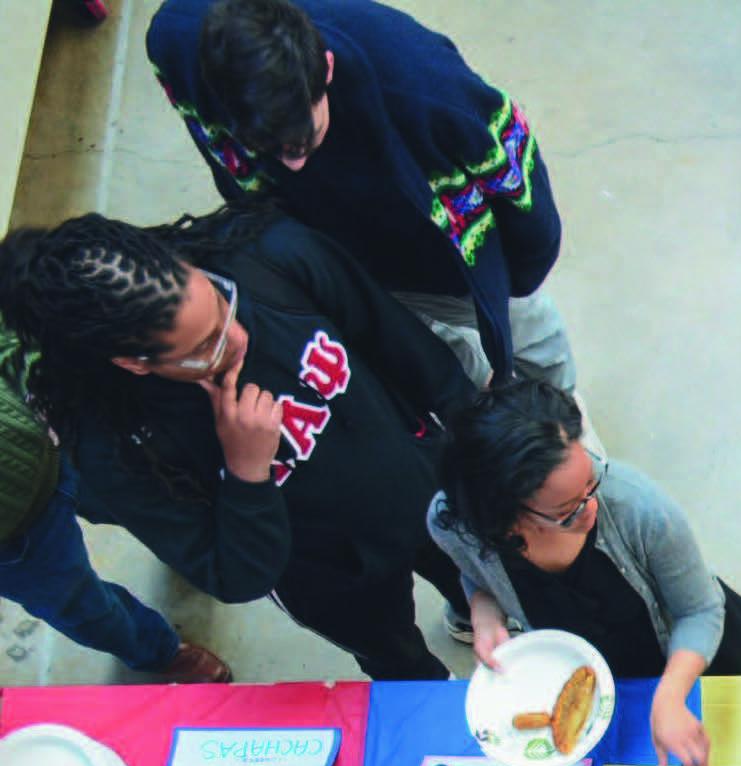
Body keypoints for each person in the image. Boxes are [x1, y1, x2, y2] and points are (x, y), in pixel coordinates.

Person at [0, 207, 475, 680]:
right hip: (336, 578)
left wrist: (472, 455)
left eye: (223, 305)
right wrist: (247, 473)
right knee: (396, 656)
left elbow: (403, 345)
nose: (237, 337)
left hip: (425, 488)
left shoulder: (267, 255)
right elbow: (232, 573)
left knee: (469, 576)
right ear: (135, 363)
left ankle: (468, 611)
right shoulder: (116, 447)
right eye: (204, 346)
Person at [146, 0, 570, 390]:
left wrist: (517, 277)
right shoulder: (175, 46)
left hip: (442, 247)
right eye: (268, 148)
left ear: (327, 68)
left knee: (531, 332)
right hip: (339, 247)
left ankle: (561, 410)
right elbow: (223, 157)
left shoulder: (420, 81)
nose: (292, 165)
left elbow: (513, 170)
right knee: (429, 353)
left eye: (303, 142)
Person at [429, 378, 741, 766]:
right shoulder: (455, 524)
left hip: (687, 653)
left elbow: (700, 610)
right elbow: (476, 574)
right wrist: (484, 610)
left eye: (592, 481)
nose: (591, 509)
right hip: (589, 672)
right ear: (504, 519)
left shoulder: (638, 509)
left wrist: (672, 693)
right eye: (567, 509)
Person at [1, 312, 230, 683]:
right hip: (12, 537)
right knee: (81, 605)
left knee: (141, 500)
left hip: (50, 439)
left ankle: (187, 547)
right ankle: (158, 651)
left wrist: (35, 379)